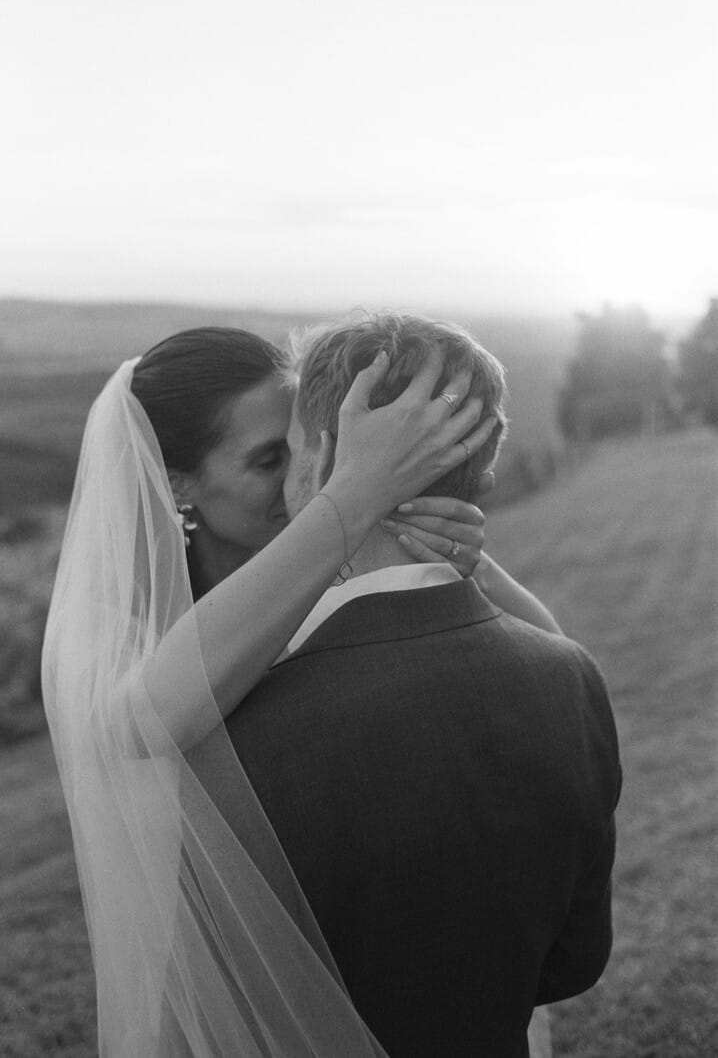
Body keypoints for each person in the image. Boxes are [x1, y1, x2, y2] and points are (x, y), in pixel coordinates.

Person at [188, 313, 622, 1057]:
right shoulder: (569, 676)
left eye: (288, 450)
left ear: (327, 458)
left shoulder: (233, 728)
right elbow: (575, 963)